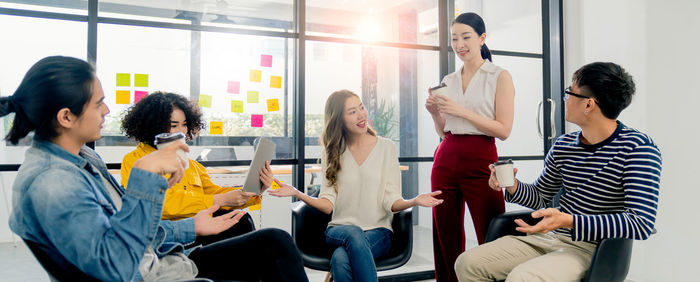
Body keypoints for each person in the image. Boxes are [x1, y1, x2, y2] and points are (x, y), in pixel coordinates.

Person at [4, 56, 308, 281]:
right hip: (154, 275)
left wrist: (195, 226)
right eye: (98, 104)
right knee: (268, 259)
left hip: (165, 260)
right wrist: (145, 178)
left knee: (274, 241)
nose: (107, 111)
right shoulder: (53, 183)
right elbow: (118, 268)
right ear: (66, 117)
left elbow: (127, 225)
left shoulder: (84, 159)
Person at [454, 62, 662, 281]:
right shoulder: (564, 145)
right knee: (468, 264)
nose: (565, 99)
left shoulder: (637, 148)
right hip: (548, 238)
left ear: (589, 105)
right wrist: (512, 185)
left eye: (569, 93)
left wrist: (569, 221)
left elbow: (641, 223)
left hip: (591, 248)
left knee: (523, 278)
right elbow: (541, 196)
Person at [270, 89, 443, 282]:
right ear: (339, 119)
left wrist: (415, 200)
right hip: (339, 229)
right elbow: (327, 204)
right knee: (353, 232)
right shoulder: (332, 151)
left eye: (361, 107)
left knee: (340, 259)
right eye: (352, 112)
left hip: (379, 231)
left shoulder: (386, 147)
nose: (361, 115)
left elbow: (391, 201)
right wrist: (296, 193)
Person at [425, 12, 515, 282]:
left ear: (482, 38)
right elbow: (444, 131)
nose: (460, 44)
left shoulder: (499, 76)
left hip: (481, 158)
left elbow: (504, 130)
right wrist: (434, 113)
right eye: (454, 39)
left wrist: (461, 111)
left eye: (466, 37)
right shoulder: (449, 80)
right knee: (445, 234)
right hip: (446, 156)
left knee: (492, 231)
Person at [120, 92, 272, 245]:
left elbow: (214, 192)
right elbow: (165, 205)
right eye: (173, 125)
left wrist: (252, 191)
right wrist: (219, 200)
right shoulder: (136, 161)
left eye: (185, 124)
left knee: (240, 219)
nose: (182, 131)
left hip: (202, 229)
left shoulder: (193, 166)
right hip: (169, 237)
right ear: (153, 126)